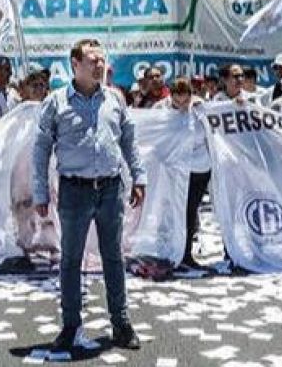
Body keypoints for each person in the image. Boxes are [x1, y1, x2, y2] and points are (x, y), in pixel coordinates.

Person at [33, 38, 146, 352]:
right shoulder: (56, 102)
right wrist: (40, 192)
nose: (99, 65)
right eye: (92, 60)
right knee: (71, 259)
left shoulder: (115, 98)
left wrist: (139, 176)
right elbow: (41, 149)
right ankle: (71, 325)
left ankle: (121, 324)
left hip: (111, 189)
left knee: (113, 257)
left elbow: (129, 140)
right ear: (75, 64)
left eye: (101, 60)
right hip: (74, 191)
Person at [153, 76, 210, 269]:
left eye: (186, 100)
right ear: (171, 95)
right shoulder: (160, 109)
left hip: (198, 168)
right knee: (169, 211)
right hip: (173, 169)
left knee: (190, 211)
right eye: (178, 101)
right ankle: (168, 251)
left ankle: (186, 254)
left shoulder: (200, 108)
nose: (182, 105)